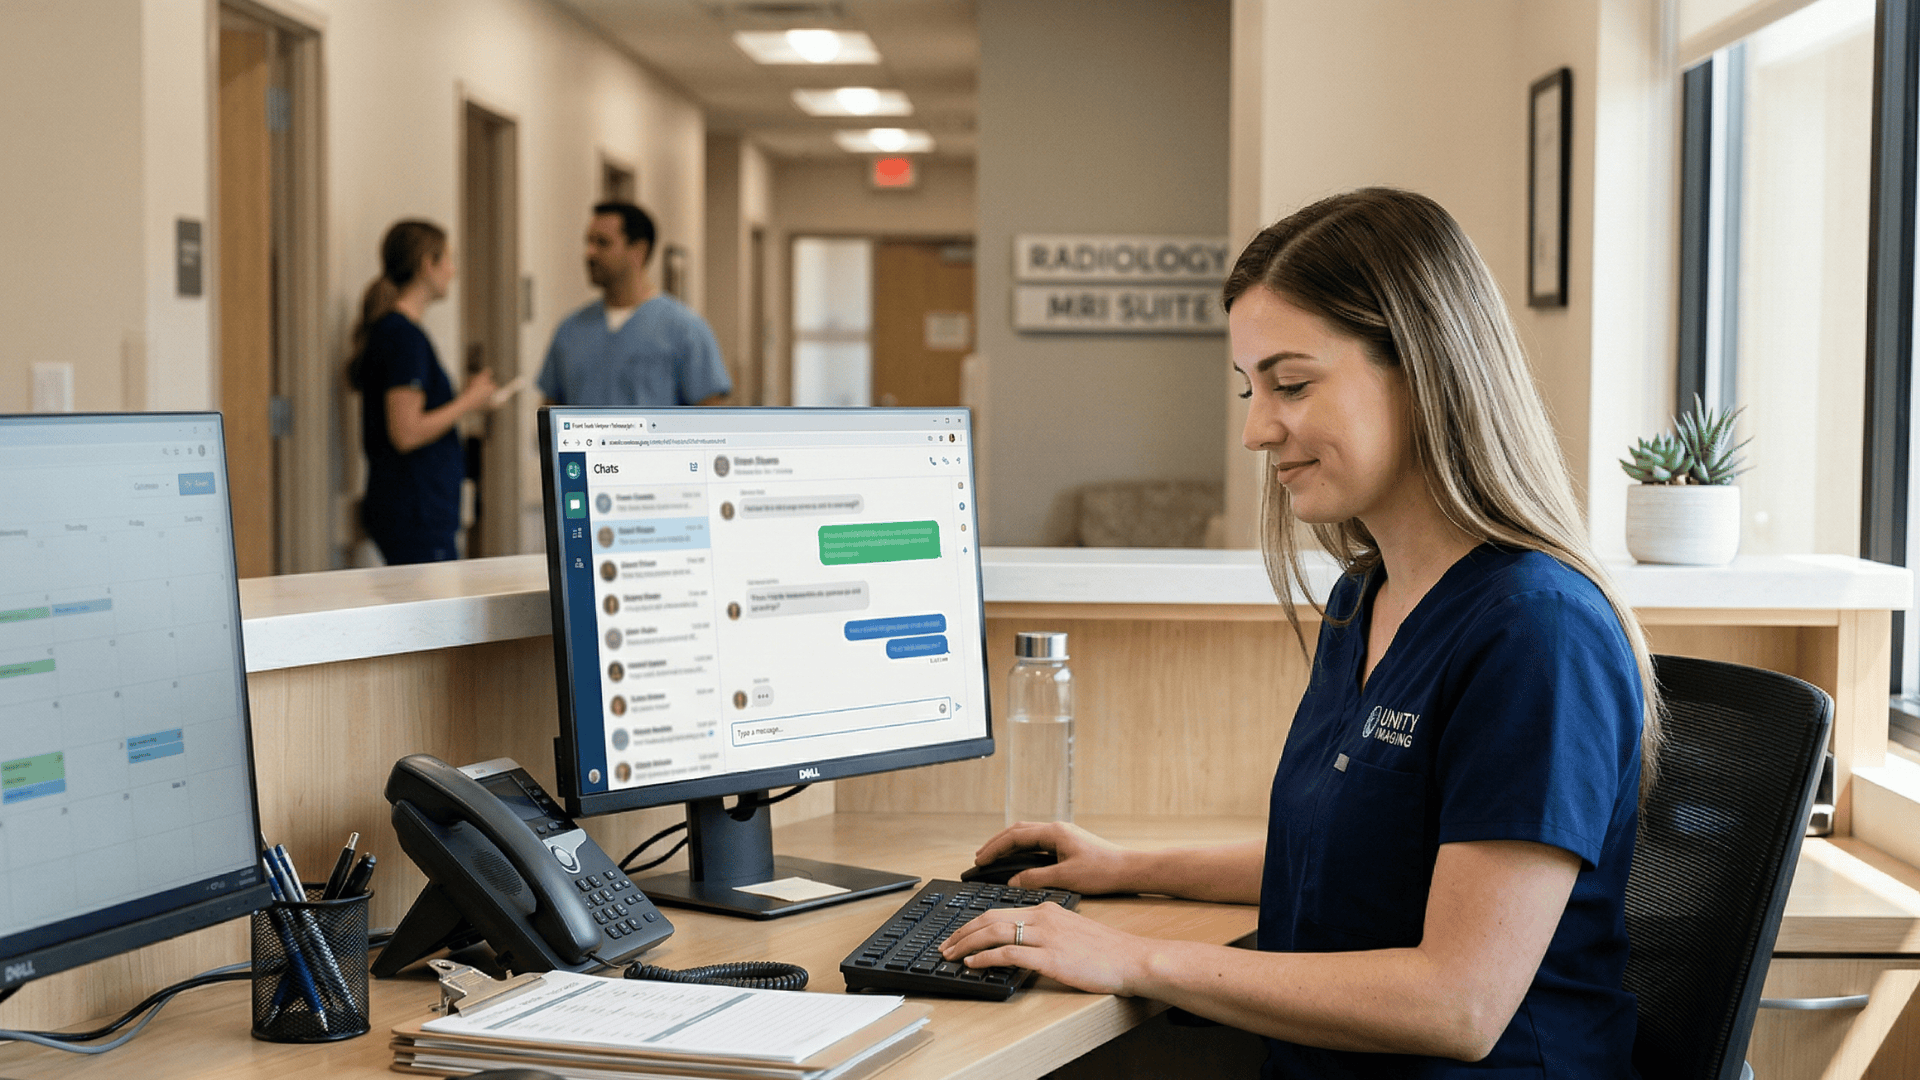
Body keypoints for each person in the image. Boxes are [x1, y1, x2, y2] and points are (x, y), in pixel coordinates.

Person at [941, 188, 1660, 1076]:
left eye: (1291, 384)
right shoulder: (1367, 599)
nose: (1254, 429)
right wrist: (1125, 865)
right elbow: (1350, 855)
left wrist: (1132, 958)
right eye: (1251, 389)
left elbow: (1460, 1002)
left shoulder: (1536, 633)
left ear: (1424, 367)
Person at [348, 220, 498, 564]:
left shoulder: (399, 333)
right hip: (416, 514)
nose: (454, 271)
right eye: (449, 259)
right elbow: (406, 431)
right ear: (427, 265)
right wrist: (468, 402)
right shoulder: (403, 338)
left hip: (418, 510)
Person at [536, 202, 731, 407]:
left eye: (602, 243)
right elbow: (550, 411)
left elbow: (710, 417)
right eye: (588, 242)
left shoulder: (686, 331)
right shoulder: (571, 330)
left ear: (638, 250)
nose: (589, 253)